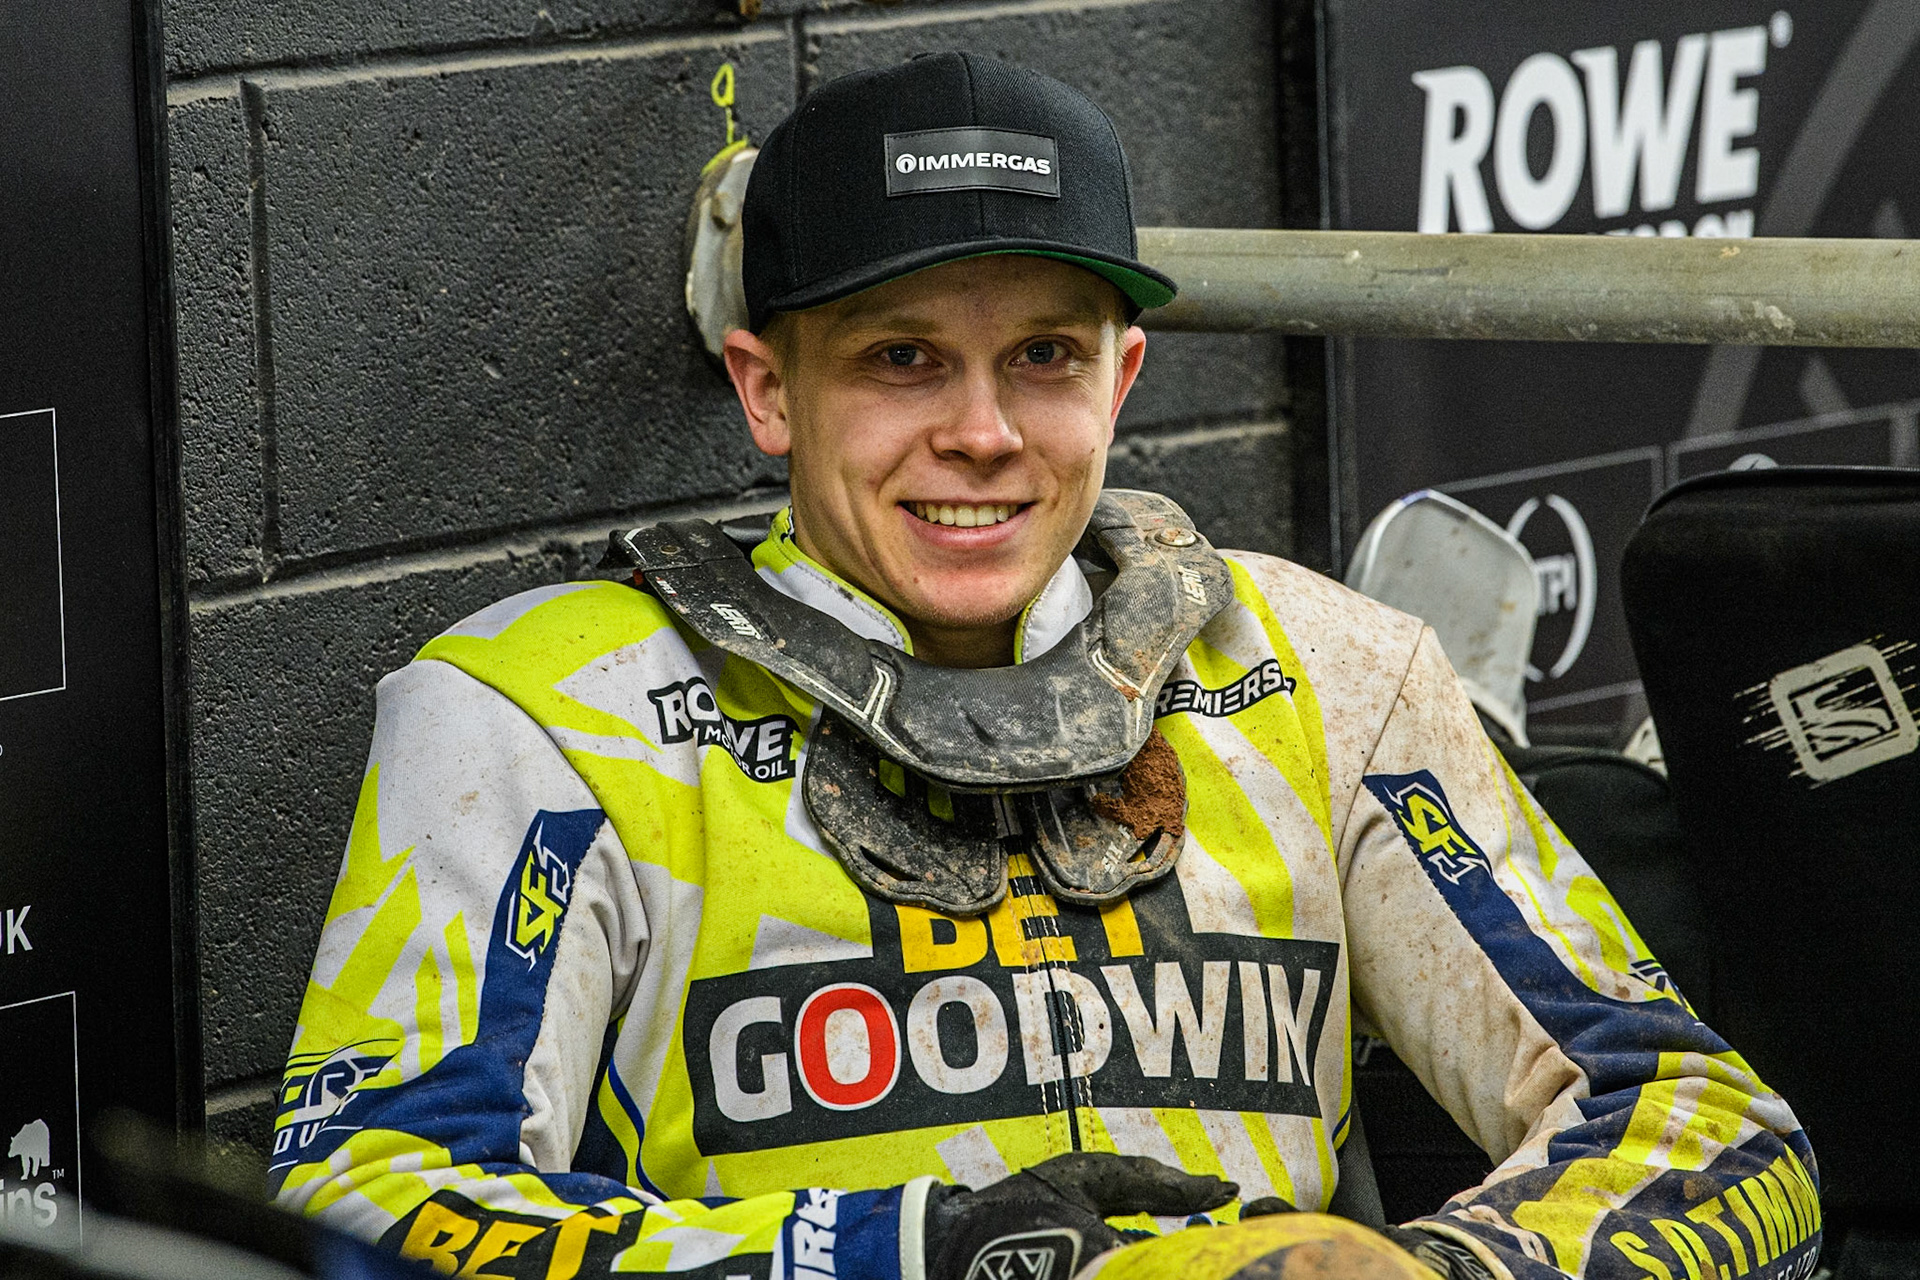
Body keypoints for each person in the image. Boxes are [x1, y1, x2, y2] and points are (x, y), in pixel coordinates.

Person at [268, 53, 1821, 1280]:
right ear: (766, 390)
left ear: (1121, 375)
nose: (985, 434)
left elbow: (1715, 1134)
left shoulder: (1328, 672)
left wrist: (1426, 1273)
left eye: (1045, 357)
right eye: (900, 358)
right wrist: (929, 1256)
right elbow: (368, 1208)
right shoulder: (535, 713)